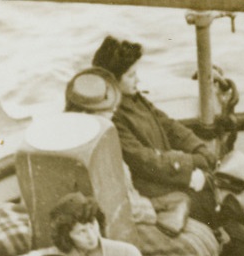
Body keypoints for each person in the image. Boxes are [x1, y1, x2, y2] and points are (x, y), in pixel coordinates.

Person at [64, 67, 221, 256]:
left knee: (202, 235)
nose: (113, 111)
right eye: (105, 109)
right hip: (117, 230)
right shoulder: (89, 151)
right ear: (86, 114)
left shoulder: (103, 140)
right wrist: (154, 210)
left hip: (132, 215)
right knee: (194, 248)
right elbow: (112, 209)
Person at [92, 36, 219, 226]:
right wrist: (190, 165)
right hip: (151, 187)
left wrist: (199, 148)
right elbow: (143, 159)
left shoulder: (135, 99)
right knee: (207, 196)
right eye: (131, 75)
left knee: (216, 190)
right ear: (112, 81)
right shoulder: (113, 117)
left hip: (167, 175)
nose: (138, 79)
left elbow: (169, 126)